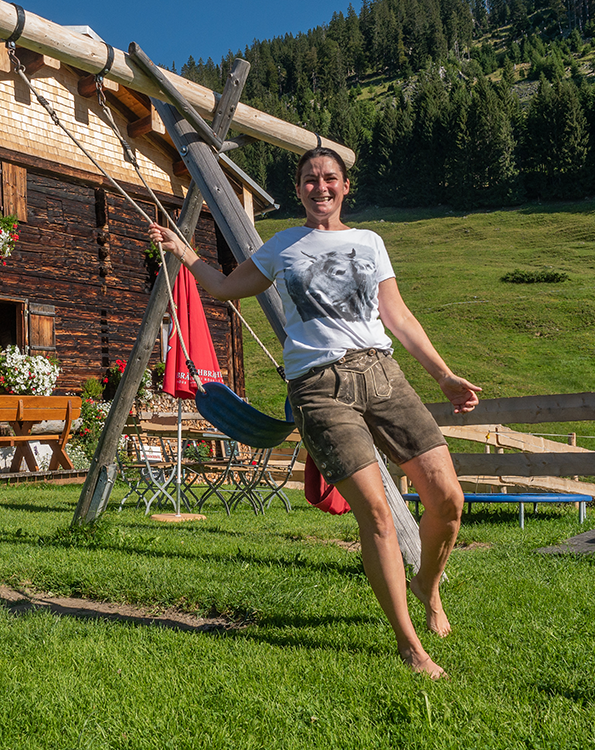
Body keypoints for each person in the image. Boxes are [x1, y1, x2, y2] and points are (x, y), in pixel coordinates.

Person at [148, 147, 481, 679]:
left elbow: (395, 313)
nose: (319, 186)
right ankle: (410, 645)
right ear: (299, 188)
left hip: (382, 375)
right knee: (374, 512)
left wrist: (443, 374)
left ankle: (428, 586)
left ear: (345, 186)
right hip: (318, 387)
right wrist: (184, 252)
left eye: (329, 178)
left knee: (448, 497)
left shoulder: (370, 242)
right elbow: (224, 289)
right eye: (308, 179)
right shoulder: (280, 246)